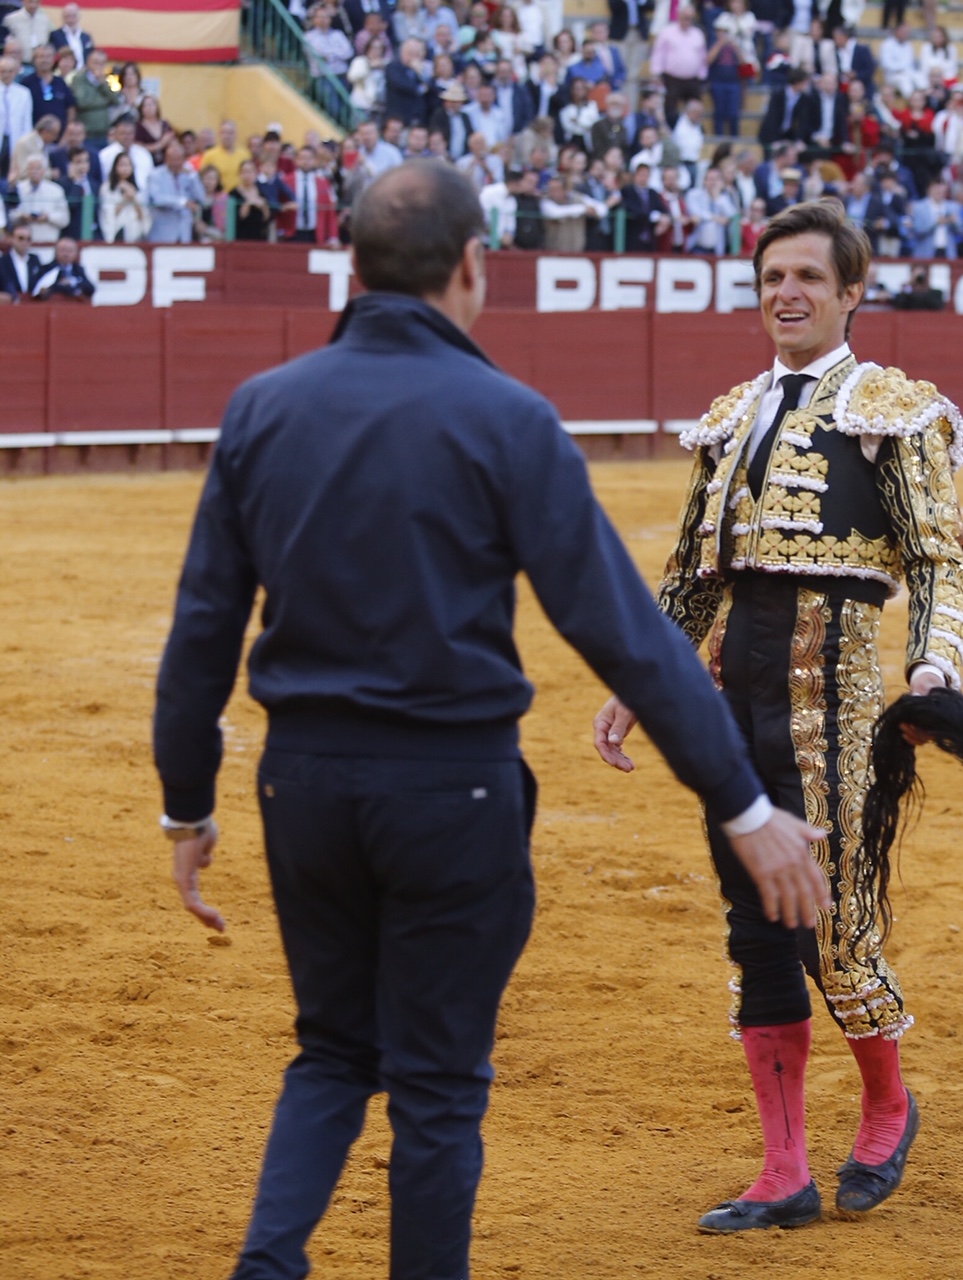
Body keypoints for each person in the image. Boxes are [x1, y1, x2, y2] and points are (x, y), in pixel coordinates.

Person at [153, 158, 826, 1280]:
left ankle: (267, 1264)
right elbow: (623, 632)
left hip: (304, 786)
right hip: (449, 793)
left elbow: (199, 639)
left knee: (329, 1050)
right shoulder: (506, 417)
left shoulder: (261, 409)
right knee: (435, 1088)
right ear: (473, 268)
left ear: (351, 267)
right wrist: (742, 800)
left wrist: (187, 808)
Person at [595, 198, 963, 1234]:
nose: (787, 292)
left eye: (809, 276)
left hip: (842, 697)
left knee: (836, 931)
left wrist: (934, 672)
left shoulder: (893, 408)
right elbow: (689, 581)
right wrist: (644, 679)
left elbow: (938, 564)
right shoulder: (727, 417)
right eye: (773, 275)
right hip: (731, 703)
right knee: (754, 931)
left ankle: (887, 1101)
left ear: (851, 291)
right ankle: (782, 1168)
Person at [99, 149, 150, 242]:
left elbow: (144, 216)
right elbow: (108, 214)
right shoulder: (107, 188)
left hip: (135, 235)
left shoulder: (138, 189)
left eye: (128, 165)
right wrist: (125, 199)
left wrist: (133, 197)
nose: (125, 168)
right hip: (117, 233)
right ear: (115, 167)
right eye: (122, 165)